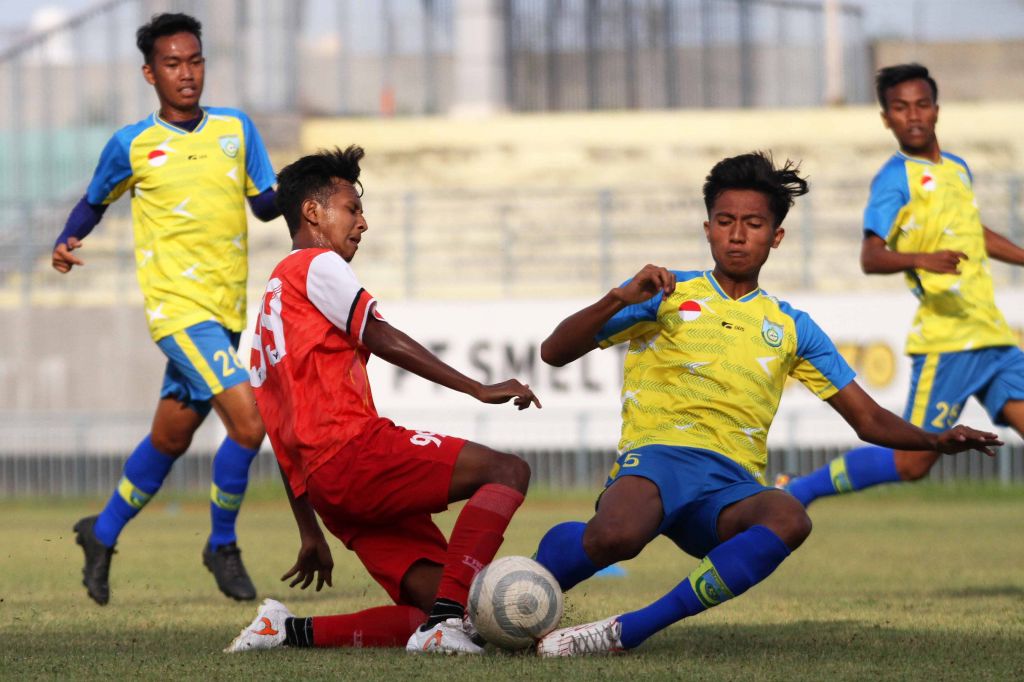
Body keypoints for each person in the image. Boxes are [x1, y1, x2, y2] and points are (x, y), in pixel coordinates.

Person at [528, 152, 1001, 656]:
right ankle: (517, 592)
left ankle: (626, 631)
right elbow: (554, 352)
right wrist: (619, 297)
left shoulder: (793, 327)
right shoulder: (663, 292)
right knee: (616, 536)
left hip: (730, 484)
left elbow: (867, 418)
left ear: (775, 237)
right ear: (707, 228)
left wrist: (934, 439)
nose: (737, 235)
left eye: (753, 224)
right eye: (726, 222)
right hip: (659, 459)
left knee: (790, 517)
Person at [224, 146, 539, 655]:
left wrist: (310, 529)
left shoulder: (268, 315)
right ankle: (444, 629)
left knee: (440, 603)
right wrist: (478, 388)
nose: (363, 223)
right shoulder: (315, 263)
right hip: (355, 452)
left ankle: (283, 631)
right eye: (352, 208)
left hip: (329, 490)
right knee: (508, 471)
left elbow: (278, 432)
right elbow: (377, 333)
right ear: (313, 212)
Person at [55, 13, 281, 605]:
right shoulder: (131, 143)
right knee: (251, 423)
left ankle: (100, 534)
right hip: (178, 314)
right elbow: (93, 200)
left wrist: (312, 185)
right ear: (149, 73)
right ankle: (222, 544)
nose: (187, 74)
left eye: (195, 60)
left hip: (225, 312)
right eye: (173, 64)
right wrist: (66, 239)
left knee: (170, 438)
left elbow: (264, 205)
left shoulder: (236, 129)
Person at [778, 64, 1024, 507]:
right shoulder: (895, 180)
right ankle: (798, 490)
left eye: (921, 105)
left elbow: (973, 233)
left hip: (992, 335)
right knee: (912, 463)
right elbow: (871, 257)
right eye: (900, 107)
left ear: (936, 111)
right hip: (948, 341)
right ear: (886, 118)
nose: (913, 116)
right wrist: (921, 259)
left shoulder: (958, 169)